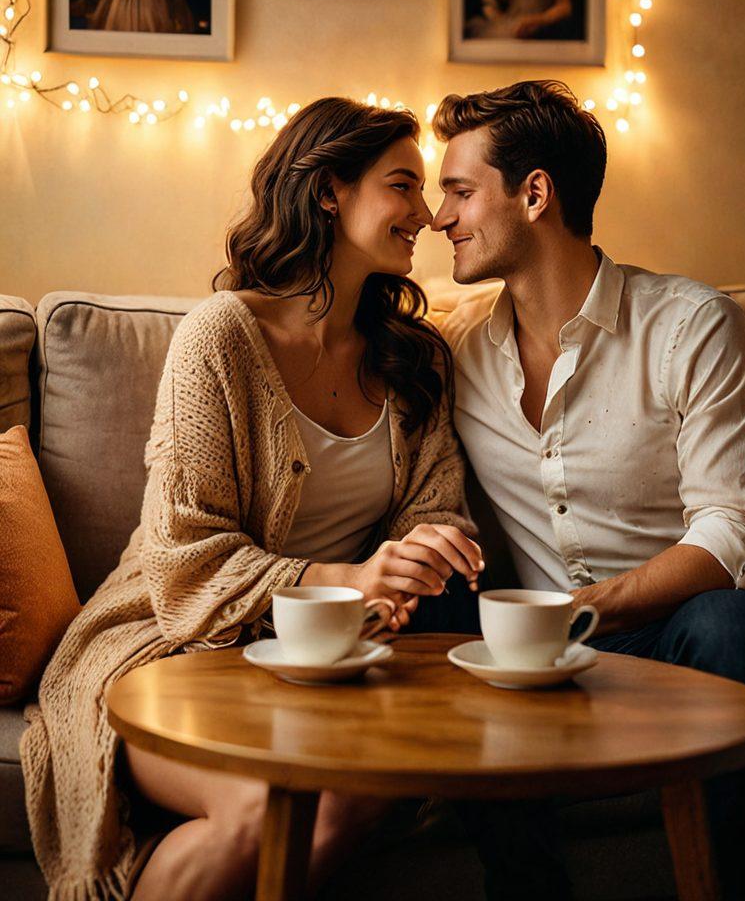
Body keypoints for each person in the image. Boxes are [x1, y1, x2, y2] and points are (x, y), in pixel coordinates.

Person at [21, 97, 482, 901]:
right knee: (267, 813)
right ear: (330, 191)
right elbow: (181, 556)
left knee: (352, 801)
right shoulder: (222, 337)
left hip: (333, 657)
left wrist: (420, 557)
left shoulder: (415, 358)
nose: (428, 214)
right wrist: (342, 580)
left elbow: (434, 510)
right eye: (403, 185)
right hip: (168, 641)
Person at [429, 79, 745, 901]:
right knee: (427, 602)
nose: (437, 216)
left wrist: (587, 608)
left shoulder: (691, 327)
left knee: (737, 624)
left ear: (534, 194)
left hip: (678, 635)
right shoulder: (455, 353)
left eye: (459, 191)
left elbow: (736, 533)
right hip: (533, 646)